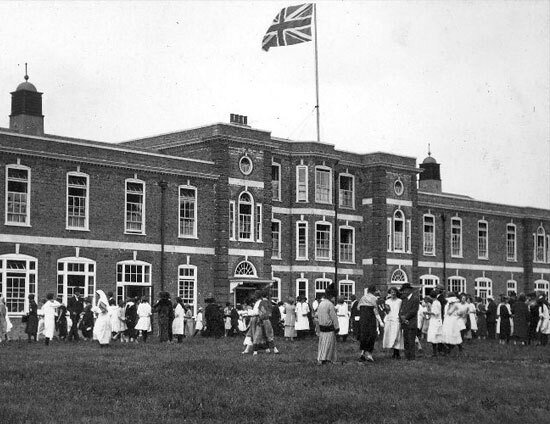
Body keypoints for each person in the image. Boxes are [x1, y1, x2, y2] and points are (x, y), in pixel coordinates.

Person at [358, 285, 384, 362]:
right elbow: (376, 311)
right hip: (370, 319)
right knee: (371, 335)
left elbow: (358, 308)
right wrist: (380, 321)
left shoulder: (363, 298)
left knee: (364, 335)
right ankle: (368, 354)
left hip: (363, 319)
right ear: (374, 291)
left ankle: (362, 353)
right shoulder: (374, 298)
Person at [316, 284, 340, 365]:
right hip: (329, 327)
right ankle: (327, 359)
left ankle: (321, 358)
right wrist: (337, 327)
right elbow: (334, 317)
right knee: (329, 344)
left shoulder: (321, 303)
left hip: (322, 327)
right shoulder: (330, 304)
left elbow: (317, 315)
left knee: (322, 344)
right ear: (331, 296)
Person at [399, 283, 420, 360]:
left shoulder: (415, 299)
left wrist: (406, 318)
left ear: (409, 290)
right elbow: (400, 310)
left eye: (404, 290)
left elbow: (414, 311)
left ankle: (412, 357)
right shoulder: (403, 299)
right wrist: (402, 318)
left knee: (411, 340)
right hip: (405, 323)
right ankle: (407, 356)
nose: (404, 292)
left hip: (411, 322)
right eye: (403, 291)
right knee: (406, 341)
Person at [382, 287, 404, 359]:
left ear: (396, 293)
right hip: (389, 319)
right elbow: (387, 311)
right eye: (392, 292)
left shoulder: (400, 301)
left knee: (397, 335)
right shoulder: (387, 301)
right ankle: (393, 352)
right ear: (390, 293)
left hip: (396, 319)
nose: (393, 293)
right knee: (391, 336)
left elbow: (401, 310)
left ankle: (397, 353)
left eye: (394, 292)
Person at [426, 291, 444, 356]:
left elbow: (435, 313)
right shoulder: (437, 302)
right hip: (436, 321)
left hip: (435, 321)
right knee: (437, 336)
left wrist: (427, 313)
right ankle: (438, 351)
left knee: (434, 336)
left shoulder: (435, 303)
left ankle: (435, 352)